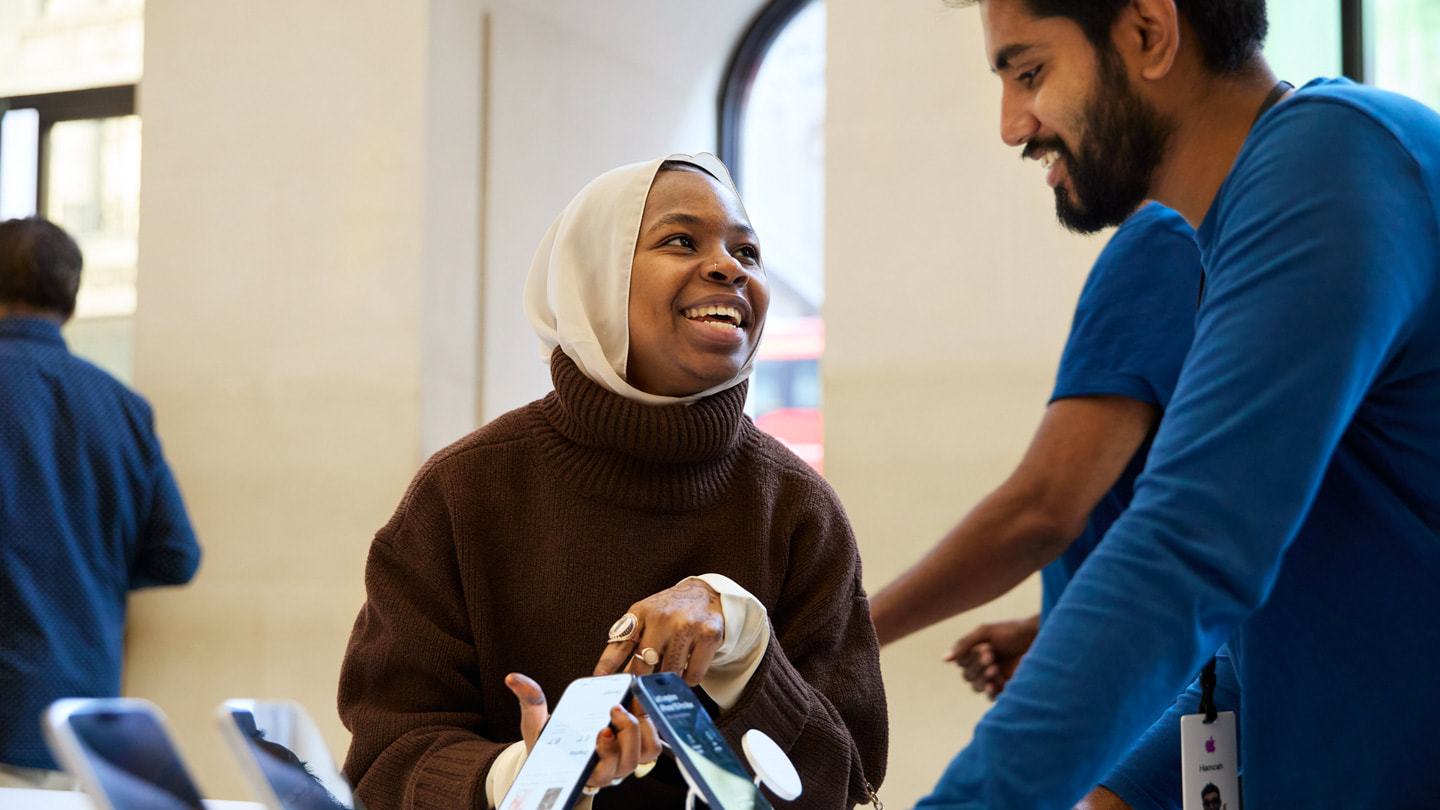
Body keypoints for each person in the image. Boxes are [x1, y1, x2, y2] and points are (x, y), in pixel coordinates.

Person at [916, 1, 1440, 808]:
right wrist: (1119, 792)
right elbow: (1266, 629)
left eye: (1031, 73)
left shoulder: (1331, 160)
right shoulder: (1218, 238)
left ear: (1149, 34)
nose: (1013, 124)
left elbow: (1184, 549)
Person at [338, 153, 887, 810]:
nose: (729, 267)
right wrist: (522, 776)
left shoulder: (798, 509)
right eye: (682, 240)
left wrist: (742, 643)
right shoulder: (463, 492)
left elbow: (844, 782)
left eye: (747, 250)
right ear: (593, 280)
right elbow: (384, 763)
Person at [868, 201, 1199, 703]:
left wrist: (844, 635)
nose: (1016, 129)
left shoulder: (1163, 241)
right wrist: (1053, 624)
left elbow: (1040, 512)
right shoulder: (1208, 237)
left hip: (1147, 693)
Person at [0, 217, 201, 788]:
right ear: (72, 299)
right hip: (84, 725)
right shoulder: (122, 406)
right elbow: (175, 555)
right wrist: (86, 571)